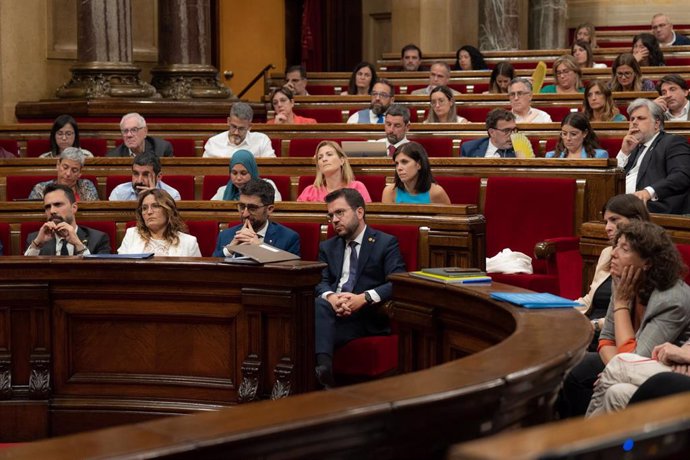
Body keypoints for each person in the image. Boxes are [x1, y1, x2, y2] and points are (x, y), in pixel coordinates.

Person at [559, 220, 690, 418]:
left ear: (647, 262)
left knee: (619, 370)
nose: (613, 253)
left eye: (624, 248)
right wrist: (617, 366)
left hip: (653, 365)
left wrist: (621, 303)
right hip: (635, 362)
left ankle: (580, 441)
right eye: (616, 246)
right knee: (609, 387)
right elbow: (606, 339)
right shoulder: (623, 280)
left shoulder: (671, 299)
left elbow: (636, 357)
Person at [314, 188, 407, 388]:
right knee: (319, 305)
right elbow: (320, 281)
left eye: (340, 212)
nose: (334, 220)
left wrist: (364, 298)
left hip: (365, 316)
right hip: (332, 312)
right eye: (330, 215)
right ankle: (324, 371)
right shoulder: (328, 247)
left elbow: (398, 281)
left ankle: (321, 375)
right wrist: (331, 297)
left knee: (309, 333)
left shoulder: (385, 243)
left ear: (359, 212)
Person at [576, 195, 651, 335]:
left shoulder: (644, 259)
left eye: (614, 220)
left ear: (636, 221)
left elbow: (635, 316)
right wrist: (558, 308)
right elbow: (588, 300)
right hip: (591, 329)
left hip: (614, 333)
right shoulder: (607, 253)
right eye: (606, 222)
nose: (607, 228)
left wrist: (593, 325)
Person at [617, 98, 690, 214]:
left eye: (641, 118)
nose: (634, 122)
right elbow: (614, 178)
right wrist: (624, 152)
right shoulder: (633, 147)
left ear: (657, 124)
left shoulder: (672, 142)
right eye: (632, 119)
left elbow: (682, 176)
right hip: (623, 205)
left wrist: (648, 192)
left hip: (654, 208)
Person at [212, 178, 299, 257]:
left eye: (252, 208)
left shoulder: (288, 238)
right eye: (242, 206)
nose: (245, 214)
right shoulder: (225, 236)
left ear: (269, 209)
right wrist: (229, 250)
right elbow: (210, 272)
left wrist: (260, 249)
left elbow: (289, 272)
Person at [25, 183, 110, 256]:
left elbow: (102, 272)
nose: (52, 211)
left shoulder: (98, 239)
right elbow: (24, 272)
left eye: (58, 204)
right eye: (48, 207)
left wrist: (78, 245)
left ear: (74, 208)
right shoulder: (35, 239)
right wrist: (37, 245)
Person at [118, 189, 201, 256]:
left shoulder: (189, 242)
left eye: (155, 206)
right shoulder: (131, 235)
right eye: (144, 208)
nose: (149, 212)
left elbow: (196, 275)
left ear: (168, 210)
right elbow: (120, 270)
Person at [297, 141, 371, 203]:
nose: (324, 159)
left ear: (341, 161)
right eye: (320, 157)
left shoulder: (357, 187)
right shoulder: (309, 191)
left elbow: (366, 217)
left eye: (329, 154)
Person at [382, 142, 450, 205]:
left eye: (404, 162)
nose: (399, 168)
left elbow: (448, 217)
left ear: (419, 164)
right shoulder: (389, 192)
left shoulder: (436, 192)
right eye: (397, 163)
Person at [203, 102, 275, 158]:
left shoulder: (262, 141)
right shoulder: (213, 143)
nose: (236, 132)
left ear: (249, 126)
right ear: (228, 121)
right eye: (234, 126)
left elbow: (272, 169)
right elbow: (203, 173)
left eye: (241, 128)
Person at [29, 147, 99, 201]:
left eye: (74, 170)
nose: (68, 173)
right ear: (58, 165)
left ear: (80, 173)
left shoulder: (86, 186)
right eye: (65, 167)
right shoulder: (41, 189)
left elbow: (95, 214)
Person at [211, 149, 282, 201]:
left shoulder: (267, 187)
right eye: (234, 173)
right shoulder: (222, 191)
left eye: (243, 173)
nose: (238, 178)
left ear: (252, 172)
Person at [109, 151, 181, 201]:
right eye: (136, 174)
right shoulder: (119, 192)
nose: (139, 180)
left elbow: (171, 222)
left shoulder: (172, 195)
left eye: (146, 175)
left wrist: (154, 196)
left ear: (159, 177)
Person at [107, 113, 173, 157]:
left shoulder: (161, 150)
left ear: (145, 131)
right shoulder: (114, 156)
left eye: (134, 130)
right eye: (125, 131)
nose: (129, 135)